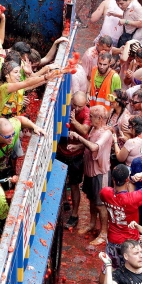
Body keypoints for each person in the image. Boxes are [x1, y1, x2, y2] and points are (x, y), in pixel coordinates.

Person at [68, 105, 113, 246]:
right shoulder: (94, 129)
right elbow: (90, 144)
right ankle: (92, 223)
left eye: (91, 116)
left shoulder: (106, 133)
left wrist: (78, 138)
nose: (89, 119)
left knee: (101, 204)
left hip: (100, 172)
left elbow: (94, 147)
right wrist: (78, 147)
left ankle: (104, 232)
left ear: (100, 118)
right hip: (90, 171)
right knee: (92, 200)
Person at [58, 91, 91, 229]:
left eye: (79, 106)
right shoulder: (65, 106)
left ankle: (75, 214)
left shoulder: (86, 113)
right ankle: (65, 201)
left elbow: (84, 130)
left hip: (76, 154)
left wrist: (74, 121)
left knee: (74, 184)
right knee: (60, 180)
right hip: (61, 150)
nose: (76, 108)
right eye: (75, 105)